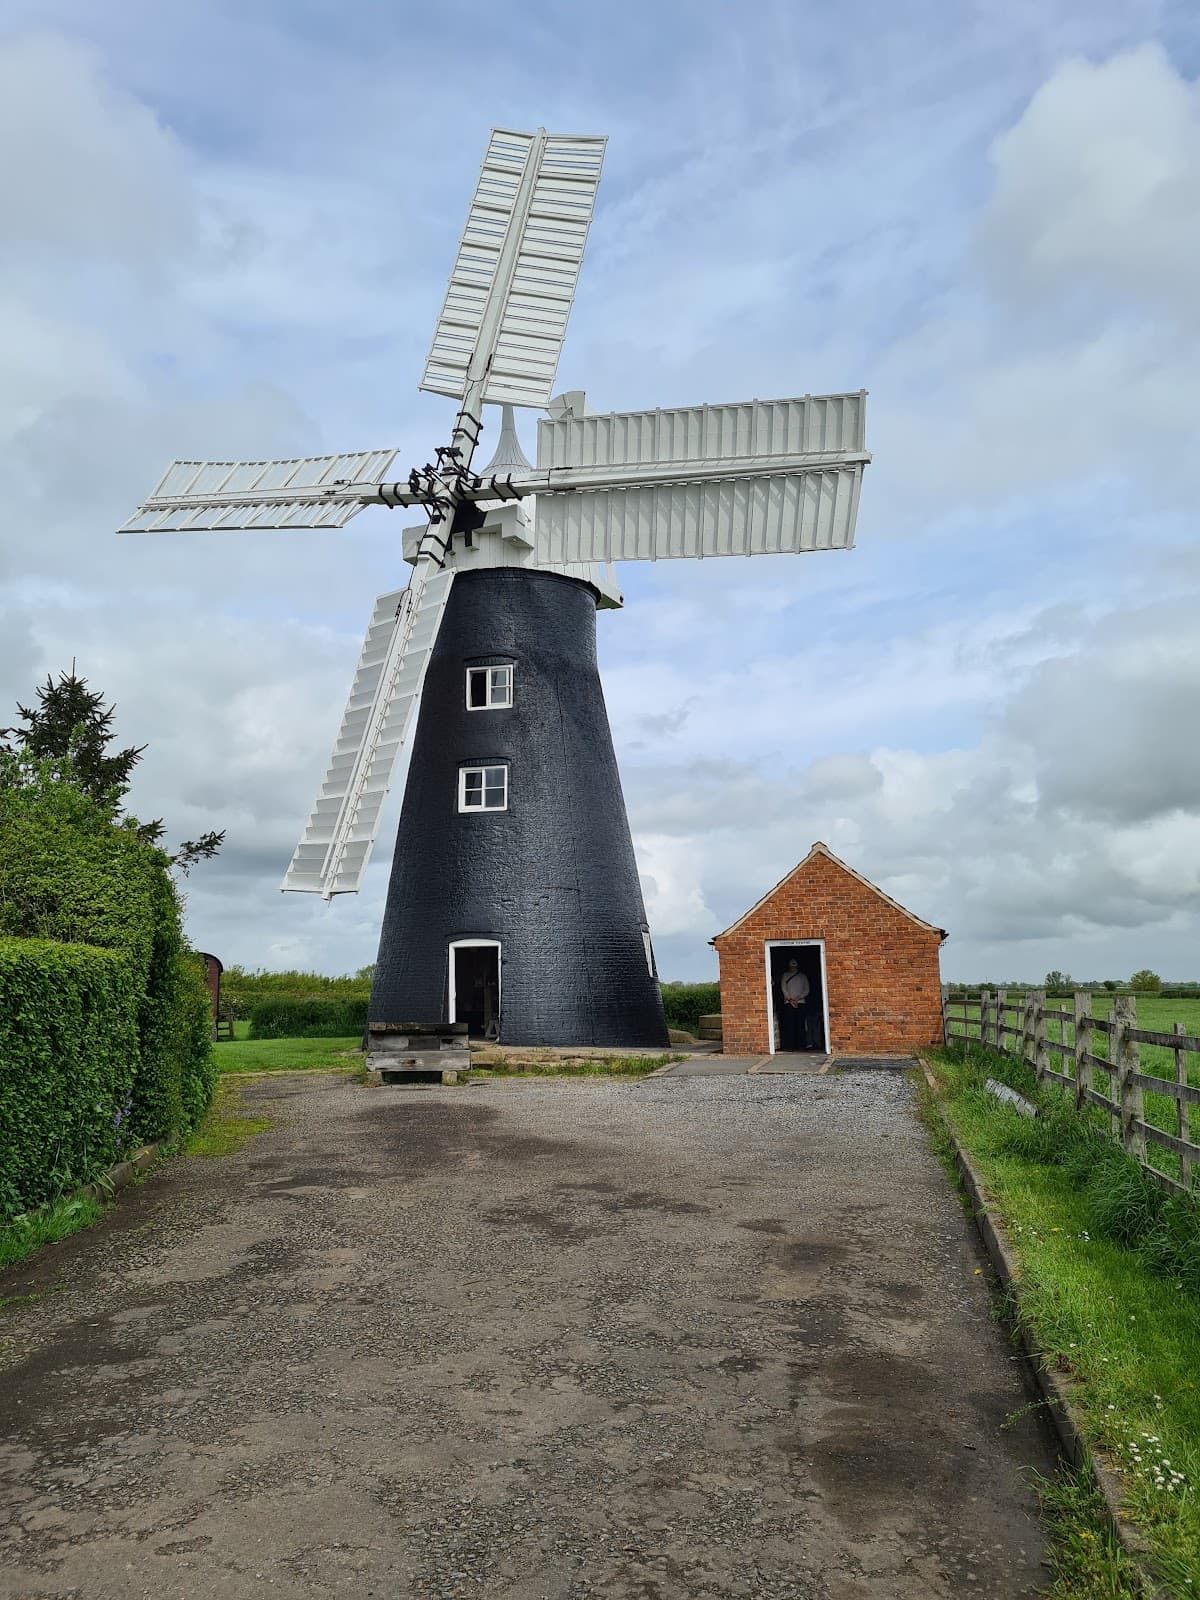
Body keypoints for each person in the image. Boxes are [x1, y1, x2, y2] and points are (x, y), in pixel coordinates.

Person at [778, 956, 810, 1051]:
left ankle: (790, 1045)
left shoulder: (785, 975)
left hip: (789, 1003)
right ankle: (800, 1045)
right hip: (799, 1002)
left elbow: (784, 989)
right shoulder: (803, 976)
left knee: (790, 1025)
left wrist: (790, 999)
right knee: (800, 1024)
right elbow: (806, 990)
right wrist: (797, 998)